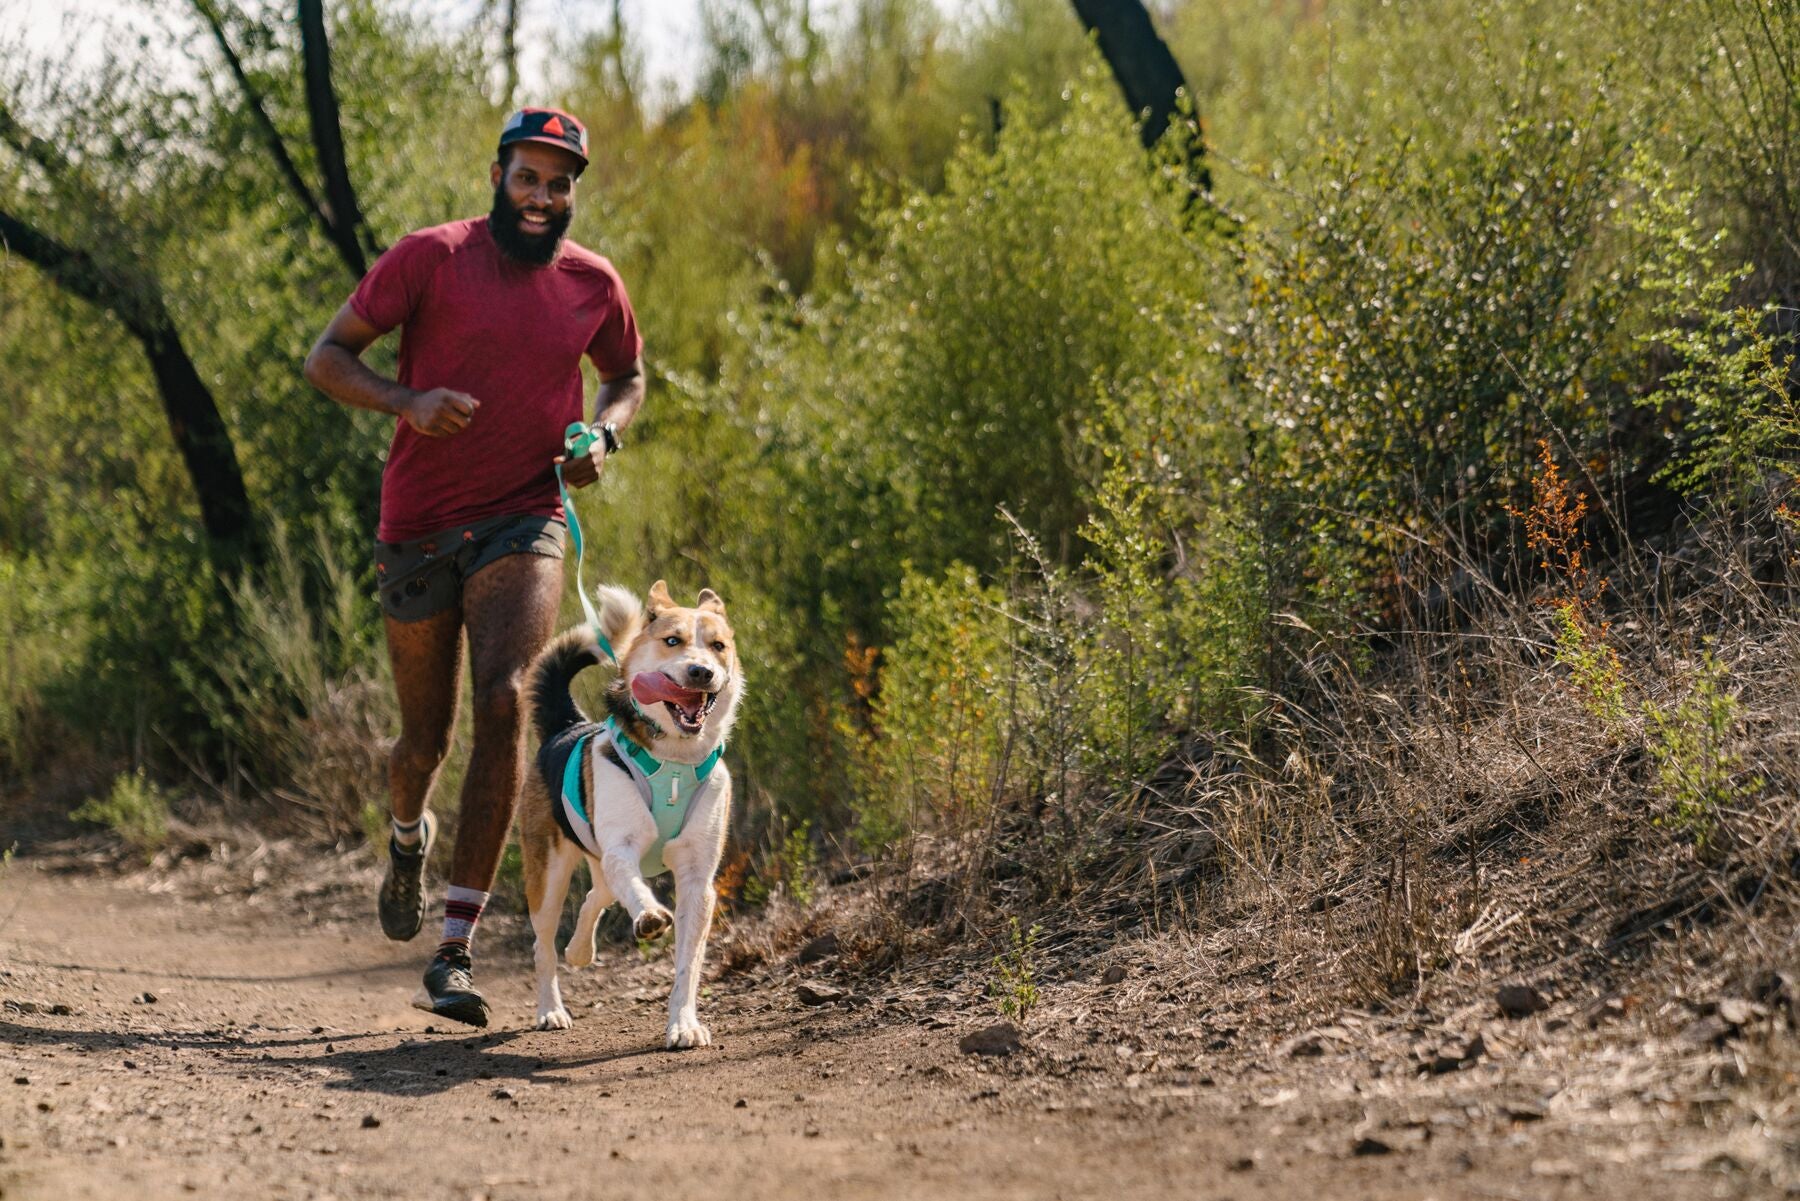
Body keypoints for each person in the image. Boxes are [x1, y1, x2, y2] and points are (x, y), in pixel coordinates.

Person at [302, 107, 644, 1027]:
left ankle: (453, 951)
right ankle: (407, 835)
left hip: (523, 520)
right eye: (528, 176)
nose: (543, 196)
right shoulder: (430, 257)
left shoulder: (592, 283)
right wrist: (405, 399)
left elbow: (627, 375)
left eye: (560, 181)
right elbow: (326, 358)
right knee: (424, 743)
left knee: (506, 701)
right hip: (417, 529)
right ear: (498, 175)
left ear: (573, 192)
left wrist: (600, 437)